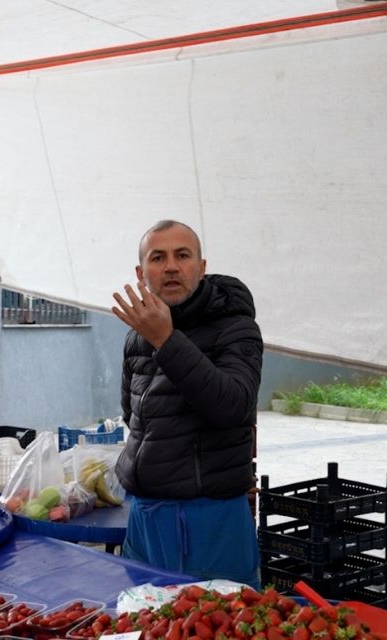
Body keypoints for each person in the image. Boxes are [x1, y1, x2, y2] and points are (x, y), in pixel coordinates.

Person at [110, 219, 263, 584]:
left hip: (210, 517)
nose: (171, 267)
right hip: (146, 517)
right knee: (143, 621)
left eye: (183, 255)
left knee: (219, 623)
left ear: (201, 266)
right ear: (141, 271)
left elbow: (234, 406)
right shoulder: (137, 336)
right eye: (158, 258)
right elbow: (134, 418)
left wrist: (167, 339)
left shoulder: (235, 328)